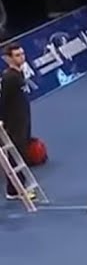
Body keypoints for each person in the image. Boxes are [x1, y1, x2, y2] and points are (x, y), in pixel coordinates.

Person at [1, 43, 32, 200]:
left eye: (22, 54)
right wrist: (1, 119)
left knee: (22, 152)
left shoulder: (19, 73)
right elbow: (2, 100)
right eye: (17, 55)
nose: (22, 57)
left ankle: (19, 186)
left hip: (23, 118)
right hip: (13, 122)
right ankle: (14, 190)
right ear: (8, 58)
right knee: (16, 155)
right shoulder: (9, 78)